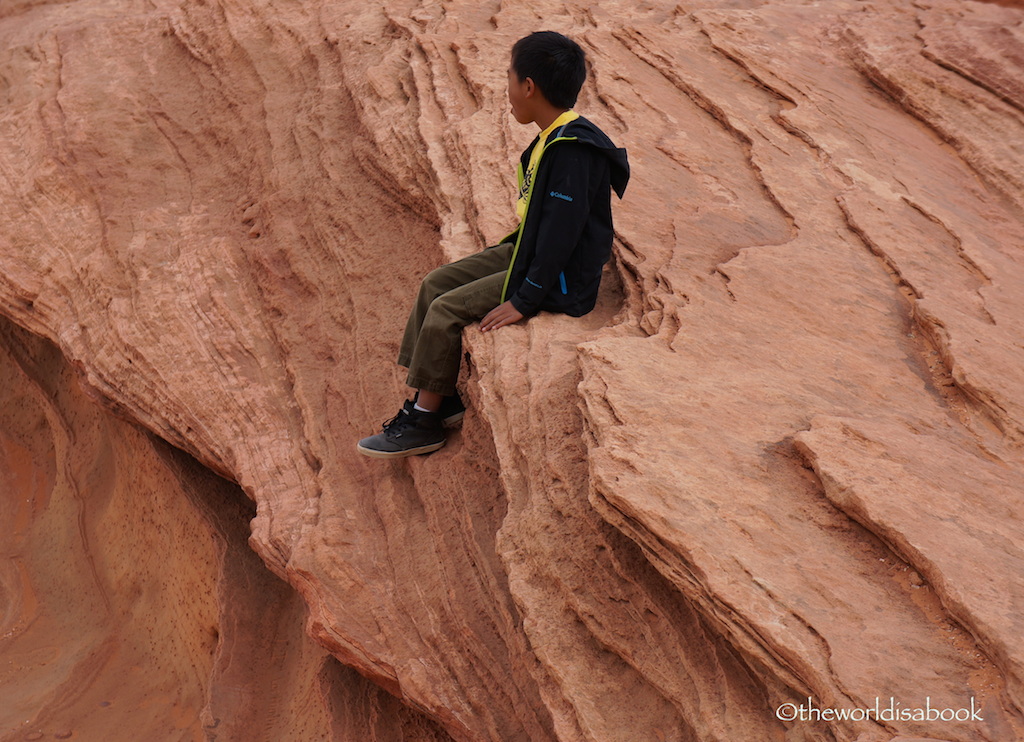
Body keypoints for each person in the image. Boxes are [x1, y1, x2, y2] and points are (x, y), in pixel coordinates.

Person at [357, 30, 630, 459]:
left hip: (559, 277)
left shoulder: (574, 152)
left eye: (509, 77)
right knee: (435, 284)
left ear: (528, 86)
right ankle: (436, 395)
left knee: (448, 308)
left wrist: (524, 299)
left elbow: (562, 238)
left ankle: (424, 422)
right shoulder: (555, 136)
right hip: (530, 251)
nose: (506, 88)